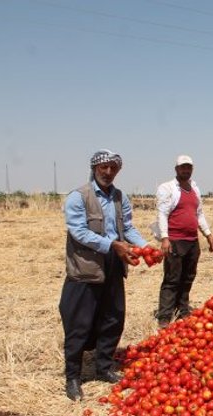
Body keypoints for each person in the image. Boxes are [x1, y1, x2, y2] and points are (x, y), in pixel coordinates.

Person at [59, 149, 149, 401]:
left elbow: (127, 227)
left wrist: (145, 247)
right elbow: (79, 232)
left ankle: (104, 366)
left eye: (113, 168)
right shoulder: (79, 197)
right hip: (86, 267)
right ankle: (73, 377)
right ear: (94, 168)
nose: (108, 172)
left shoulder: (120, 197)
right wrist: (113, 245)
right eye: (103, 168)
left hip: (113, 264)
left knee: (112, 317)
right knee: (79, 323)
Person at [154, 155, 213, 327]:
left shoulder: (194, 188)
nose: (186, 170)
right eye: (183, 168)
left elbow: (199, 214)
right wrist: (165, 238)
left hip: (192, 240)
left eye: (189, 168)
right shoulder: (168, 188)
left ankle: (182, 310)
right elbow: (162, 214)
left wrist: (208, 234)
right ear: (176, 170)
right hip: (175, 240)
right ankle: (165, 316)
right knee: (172, 278)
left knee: (188, 276)